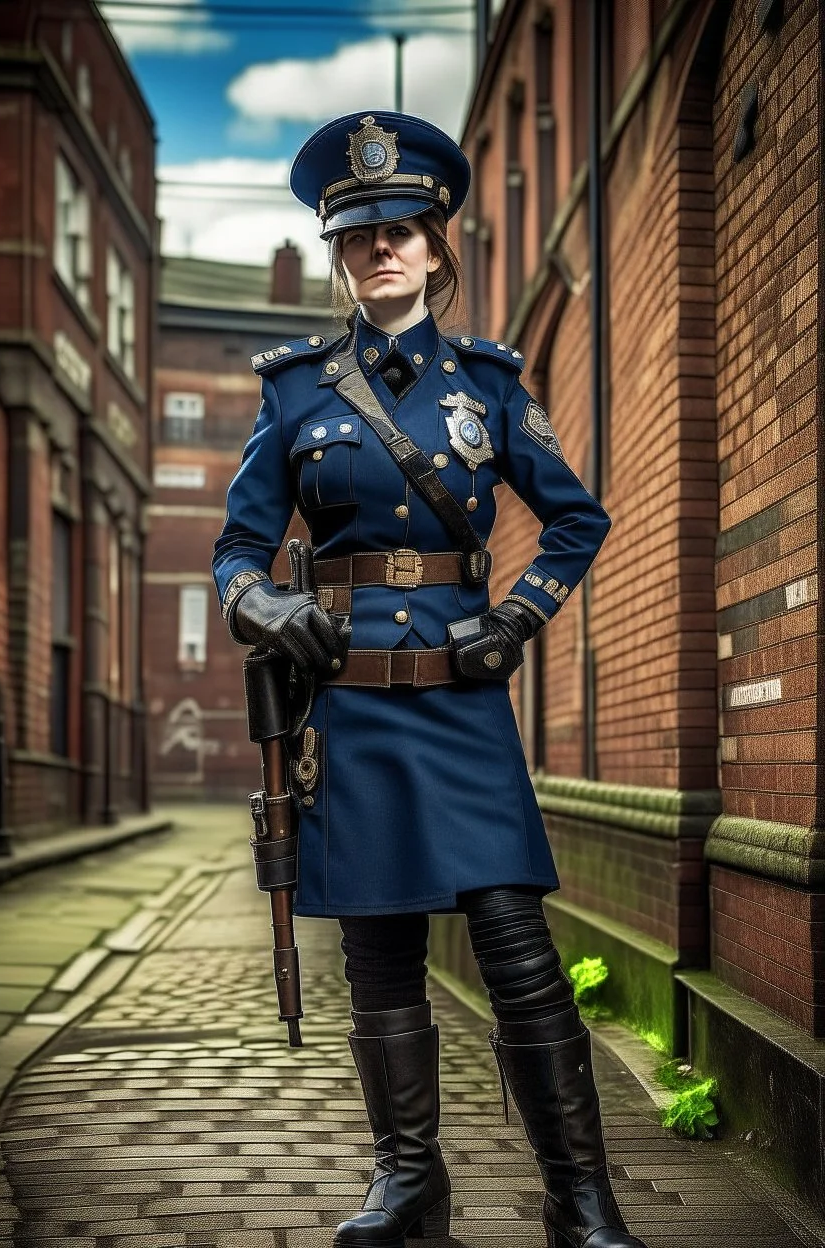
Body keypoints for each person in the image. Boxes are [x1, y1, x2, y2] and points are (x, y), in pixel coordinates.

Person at [212, 111, 647, 1248]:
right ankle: (409, 1183)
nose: (383, 252)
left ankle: (580, 1198)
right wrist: (262, 602)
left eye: (402, 231)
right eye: (361, 239)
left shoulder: (492, 385)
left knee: (514, 941)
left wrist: (515, 618)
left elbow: (575, 521)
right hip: (349, 712)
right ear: (340, 255)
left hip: (462, 704)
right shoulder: (296, 391)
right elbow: (234, 550)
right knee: (378, 950)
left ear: (437, 245)